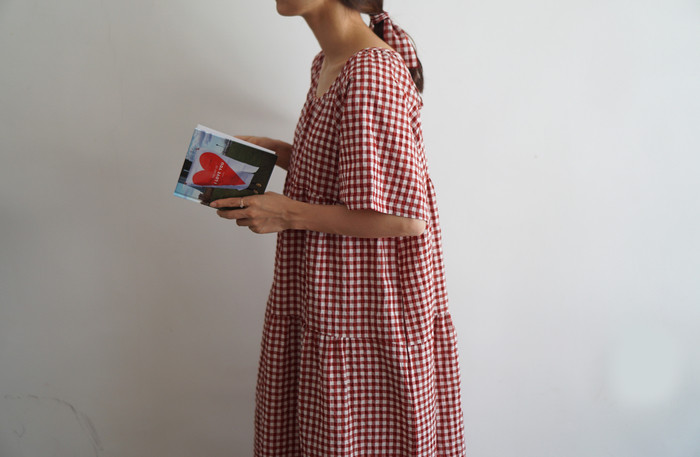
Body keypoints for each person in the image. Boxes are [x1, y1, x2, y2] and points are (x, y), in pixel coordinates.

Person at [209, 1, 466, 455]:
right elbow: (352, 175)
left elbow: (404, 220)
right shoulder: (328, 63)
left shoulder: (369, 73)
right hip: (330, 297)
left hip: (367, 311)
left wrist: (286, 214)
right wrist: (279, 153)